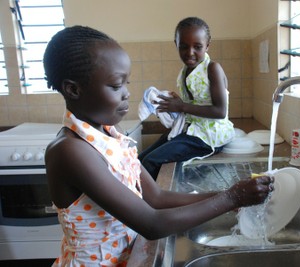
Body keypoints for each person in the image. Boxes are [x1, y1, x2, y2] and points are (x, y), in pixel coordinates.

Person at [43, 25, 273, 266]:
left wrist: (230, 196)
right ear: (73, 89)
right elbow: (151, 223)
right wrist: (233, 198)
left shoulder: (111, 134)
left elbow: (157, 198)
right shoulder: (70, 151)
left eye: (126, 84)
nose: (126, 94)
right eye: (115, 86)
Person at [139, 17, 235, 180]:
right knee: (140, 161)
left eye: (197, 47)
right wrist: (176, 101)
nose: (190, 52)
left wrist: (182, 106)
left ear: (207, 44)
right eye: (183, 46)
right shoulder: (185, 71)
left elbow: (220, 111)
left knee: (151, 162)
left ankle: (146, 203)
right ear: (176, 44)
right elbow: (193, 103)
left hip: (209, 136)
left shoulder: (213, 68)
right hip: (192, 130)